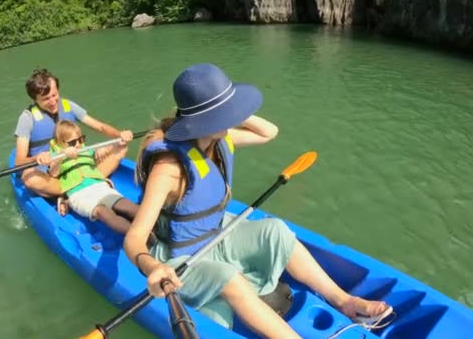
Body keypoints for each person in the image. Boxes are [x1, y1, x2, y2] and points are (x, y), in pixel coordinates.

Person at [123, 63, 393, 338]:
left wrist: (229, 108)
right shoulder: (169, 168)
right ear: (202, 123)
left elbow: (268, 132)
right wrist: (154, 267)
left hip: (217, 234)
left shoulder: (218, 141)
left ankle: (343, 301)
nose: (233, 117)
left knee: (275, 230)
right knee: (231, 280)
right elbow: (134, 239)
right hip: (182, 259)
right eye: (226, 113)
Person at [14, 68, 133, 197]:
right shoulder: (27, 118)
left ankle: (91, 180)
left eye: (54, 95)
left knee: (121, 147)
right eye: (46, 99)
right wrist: (37, 158)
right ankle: (67, 193)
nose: (53, 101)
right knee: (29, 178)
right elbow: (19, 161)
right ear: (35, 99)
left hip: (77, 159)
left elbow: (100, 126)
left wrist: (120, 134)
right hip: (51, 171)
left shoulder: (68, 105)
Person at [48, 120, 138, 233]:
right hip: (78, 195)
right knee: (104, 213)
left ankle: (158, 227)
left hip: (99, 187)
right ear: (61, 143)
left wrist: (121, 140)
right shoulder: (55, 157)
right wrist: (62, 156)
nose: (78, 145)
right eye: (72, 143)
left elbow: (111, 147)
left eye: (81, 139)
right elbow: (53, 173)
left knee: (126, 206)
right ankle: (138, 236)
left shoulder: (86, 150)